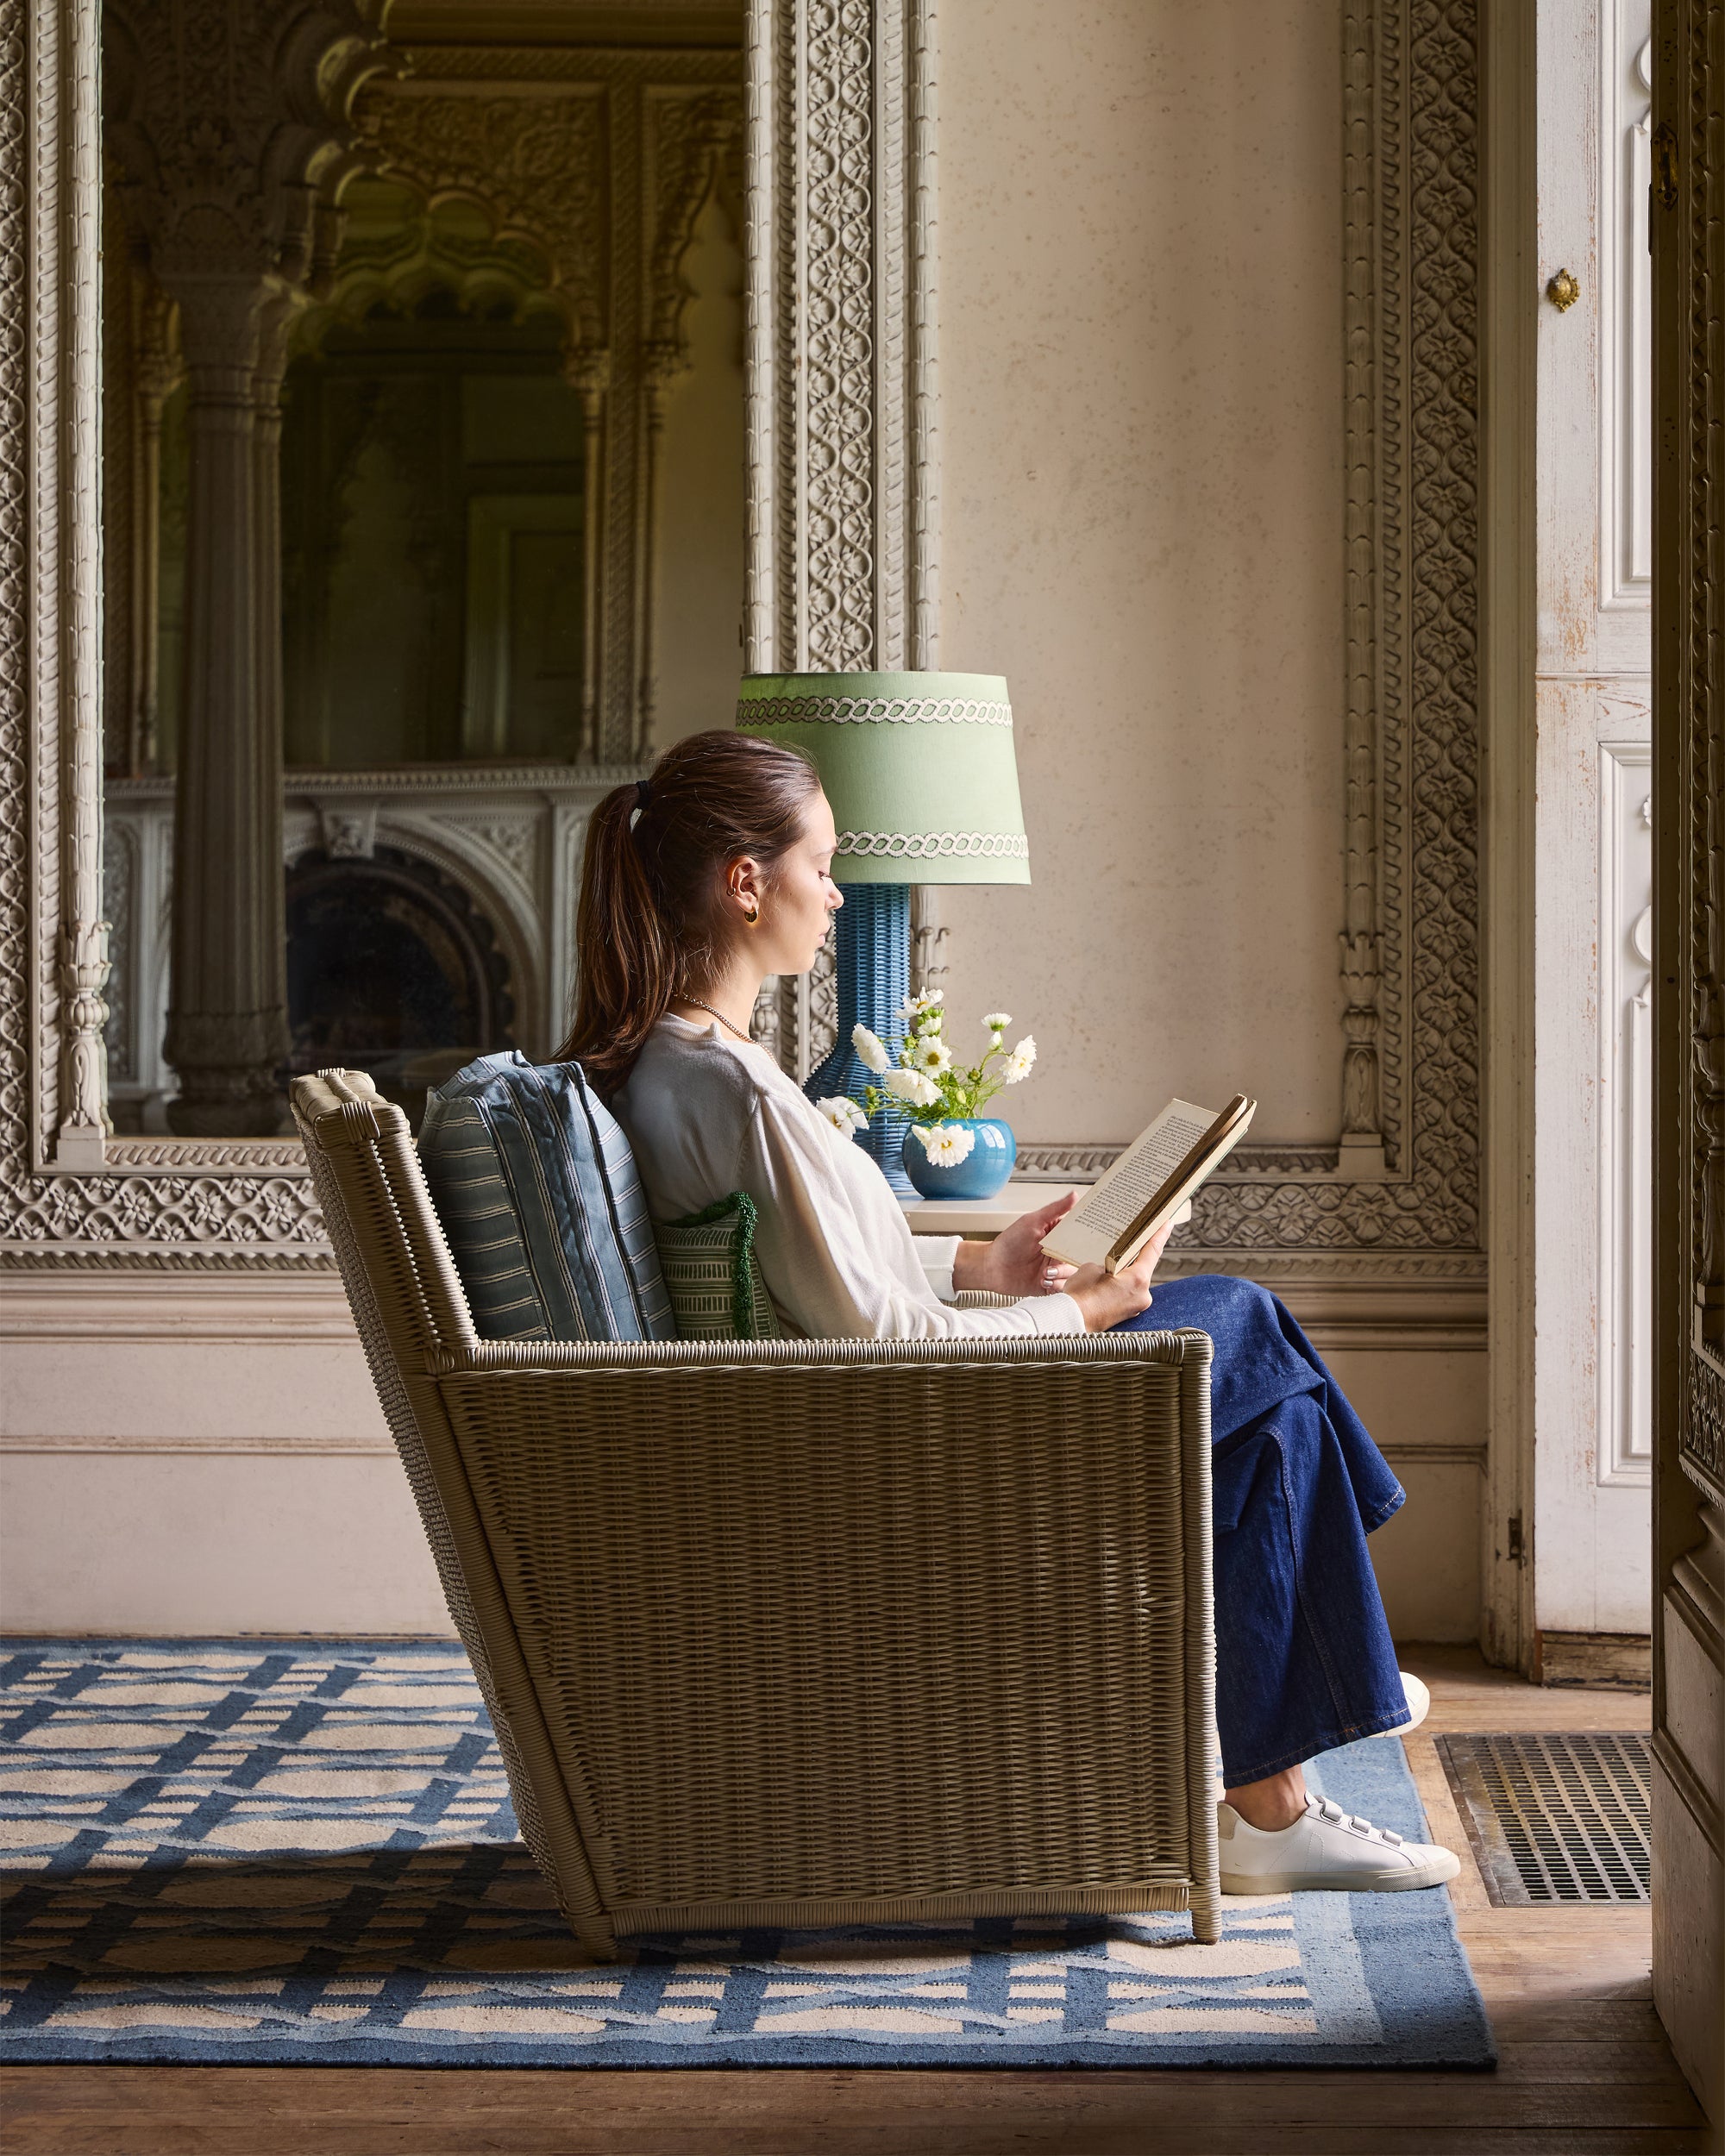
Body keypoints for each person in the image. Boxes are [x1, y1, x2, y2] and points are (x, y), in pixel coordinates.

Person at [563, 730, 1460, 1898]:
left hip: (879, 1410)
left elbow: (831, 1286)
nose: (834, 895)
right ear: (747, 884)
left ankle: (1280, 1799)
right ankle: (1337, 1703)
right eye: (821, 866)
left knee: (1271, 1432)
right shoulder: (733, 1089)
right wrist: (1080, 1316)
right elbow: (883, 1348)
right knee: (1240, 1316)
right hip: (911, 1445)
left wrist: (993, 1267)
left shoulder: (682, 1066)